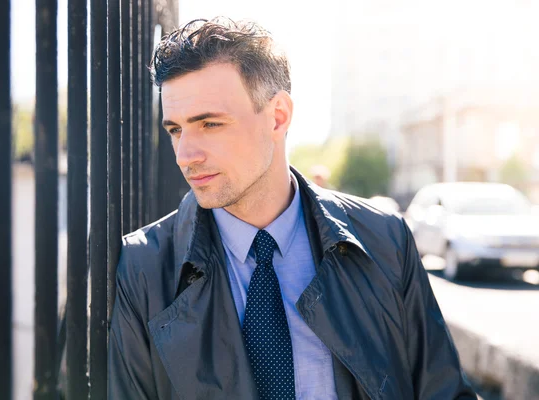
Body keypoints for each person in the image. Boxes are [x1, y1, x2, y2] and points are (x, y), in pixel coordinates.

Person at [108, 17, 477, 400]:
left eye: (210, 124)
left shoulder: (384, 239)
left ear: (278, 116)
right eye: (176, 130)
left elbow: (443, 391)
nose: (186, 155)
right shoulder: (144, 266)